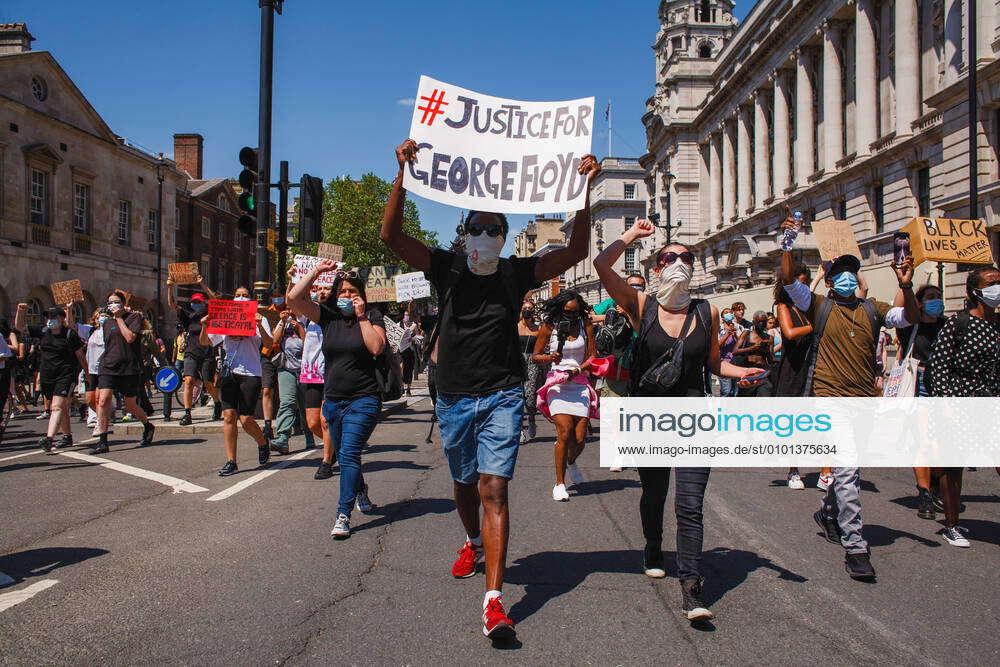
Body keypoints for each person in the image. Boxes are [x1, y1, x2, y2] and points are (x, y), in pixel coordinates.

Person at [381, 137, 600, 641]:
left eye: (493, 228)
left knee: (494, 487)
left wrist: (583, 192)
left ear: (503, 237)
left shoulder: (517, 272)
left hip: (502, 392)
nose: (485, 233)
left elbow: (577, 250)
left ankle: (495, 601)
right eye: (476, 227)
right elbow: (391, 236)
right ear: (464, 234)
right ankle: (473, 541)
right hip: (455, 395)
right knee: (464, 484)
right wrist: (401, 174)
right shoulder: (446, 266)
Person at [595, 219, 764, 621]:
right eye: (670, 257)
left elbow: (713, 365)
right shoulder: (642, 306)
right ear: (657, 268)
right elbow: (602, 266)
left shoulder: (708, 310)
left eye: (686, 257)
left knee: (690, 505)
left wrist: (741, 372)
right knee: (655, 495)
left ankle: (692, 587)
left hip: (692, 418)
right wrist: (632, 237)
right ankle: (653, 545)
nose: (679, 262)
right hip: (651, 416)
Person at [777, 210, 919, 581]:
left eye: (850, 271)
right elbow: (789, 280)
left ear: (857, 278)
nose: (844, 277)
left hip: (864, 401)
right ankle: (855, 546)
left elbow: (910, 318)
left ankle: (828, 511)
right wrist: (787, 246)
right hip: (830, 399)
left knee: (847, 471)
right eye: (837, 271)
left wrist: (906, 283)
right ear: (831, 279)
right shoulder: (820, 306)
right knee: (848, 469)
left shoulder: (874, 310)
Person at [288, 265, 385, 538]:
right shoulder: (327, 316)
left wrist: (362, 316)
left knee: (350, 454)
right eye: (342, 291)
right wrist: (316, 271)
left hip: (364, 399)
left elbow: (376, 347)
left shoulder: (372, 315)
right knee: (345, 455)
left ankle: (343, 514)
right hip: (333, 401)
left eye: (352, 291)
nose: (346, 295)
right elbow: (294, 299)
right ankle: (361, 490)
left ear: (362, 295)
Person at [926, 266, 1000, 547]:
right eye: (992, 283)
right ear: (975, 292)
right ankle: (952, 524)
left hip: (989, 401)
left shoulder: (997, 325)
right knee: (952, 468)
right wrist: (945, 403)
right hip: (957, 401)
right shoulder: (959, 323)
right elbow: (939, 364)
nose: (997, 287)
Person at [201, 286, 273, 476]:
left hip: (251, 372)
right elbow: (205, 342)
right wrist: (204, 325)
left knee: (246, 418)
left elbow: (269, 345)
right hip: (229, 373)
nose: (241, 299)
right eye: (237, 295)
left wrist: (258, 325)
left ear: (251, 299)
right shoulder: (225, 317)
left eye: (245, 296)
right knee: (229, 416)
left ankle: (263, 442)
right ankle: (231, 461)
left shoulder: (260, 318)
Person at [532, 291, 597, 501]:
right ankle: (559, 483)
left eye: (575, 311)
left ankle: (570, 461)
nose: (572, 315)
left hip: (579, 383)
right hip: (557, 384)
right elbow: (535, 356)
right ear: (560, 309)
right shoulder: (549, 327)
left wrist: (578, 370)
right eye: (568, 312)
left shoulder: (585, 325)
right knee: (565, 431)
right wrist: (550, 357)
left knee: (579, 439)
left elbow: (593, 355)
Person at [891, 284, 947, 519]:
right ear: (920, 303)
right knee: (923, 439)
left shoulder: (948, 325)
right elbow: (897, 307)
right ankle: (924, 492)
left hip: (945, 385)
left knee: (942, 442)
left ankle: (935, 482)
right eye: (931, 297)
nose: (937, 301)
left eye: (939, 297)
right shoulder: (911, 326)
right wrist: (906, 282)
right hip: (920, 383)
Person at [13, 304, 88, 452]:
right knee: (62, 408)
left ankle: (49, 438)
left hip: (65, 375)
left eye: (53, 317)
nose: (49, 319)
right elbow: (20, 327)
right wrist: (20, 311)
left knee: (56, 407)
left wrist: (87, 373)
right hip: (48, 376)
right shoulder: (43, 331)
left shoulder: (69, 334)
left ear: (61, 318)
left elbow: (80, 355)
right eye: (48, 317)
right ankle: (67, 437)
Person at [92, 292, 156, 454]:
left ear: (123, 303)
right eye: (110, 302)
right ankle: (103, 441)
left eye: (116, 302)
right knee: (103, 400)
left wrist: (120, 318)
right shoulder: (106, 323)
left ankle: (147, 425)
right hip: (108, 367)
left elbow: (129, 338)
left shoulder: (134, 318)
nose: (113, 305)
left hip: (128, 368)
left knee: (130, 405)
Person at [296, 277, 338, 479]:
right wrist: (293, 279)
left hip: (332, 373)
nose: (321, 292)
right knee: (312, 422)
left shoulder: (337, 315)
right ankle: (336, 445)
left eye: (326, 288)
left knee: (325, 420)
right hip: (311, 374)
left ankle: (326, 461)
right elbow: (292, 301)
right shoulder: (309, 317)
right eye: (318, 288)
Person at [166, 275, 222, 425]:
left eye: (199, 302)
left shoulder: (208, 314)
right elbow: (172, 304)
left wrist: (202, 283)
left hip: (207, 352)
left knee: (208, 383)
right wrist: (170, 286)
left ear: (203, 303)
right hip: (191, 352)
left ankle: (217, 403)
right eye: (194, 302)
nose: (196, 304)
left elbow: (216, 300)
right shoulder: (188, 317)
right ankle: (187, 413)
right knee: (188, 381)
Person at [268, 306, 313, 454]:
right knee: (287, 402)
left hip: (305, 369)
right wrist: (281, 322)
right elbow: (274, 340)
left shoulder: (308, 320)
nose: (290, 311)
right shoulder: (284, 322)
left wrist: (300, 328)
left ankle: (309, 435)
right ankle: (282, 438)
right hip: (286, 368)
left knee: (305, 406)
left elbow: (310, 344)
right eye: (288, 308)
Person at [259, 286, 285, 441]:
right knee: (267, 389)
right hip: (267, 355)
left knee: (284, 392)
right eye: (274, 296)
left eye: (279, 295)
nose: (277, 299)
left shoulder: (290, 311)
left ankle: (285, 422)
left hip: (284, 354)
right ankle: (267, 425)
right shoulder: (265, 313)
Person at [516, 298, 544, 443]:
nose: (528, 310)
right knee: (518, 397)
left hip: (532, 362)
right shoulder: (515, 327)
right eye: (525, 308)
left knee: (530, 396)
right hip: (517, 362)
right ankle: (520, 429)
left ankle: (532, 419)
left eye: (530, 308)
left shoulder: (538, 329)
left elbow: (542, 347)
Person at [733, 310, 773, 397]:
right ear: (754, 322)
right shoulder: (746, 334)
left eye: (764, 322)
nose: (761, 324)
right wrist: (752, 348)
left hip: (763, 373)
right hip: (748, 373)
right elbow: (735, 351)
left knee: (764, 398)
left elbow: (770, 359)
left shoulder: (769, 338)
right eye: (759, 322)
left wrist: (767, 350)